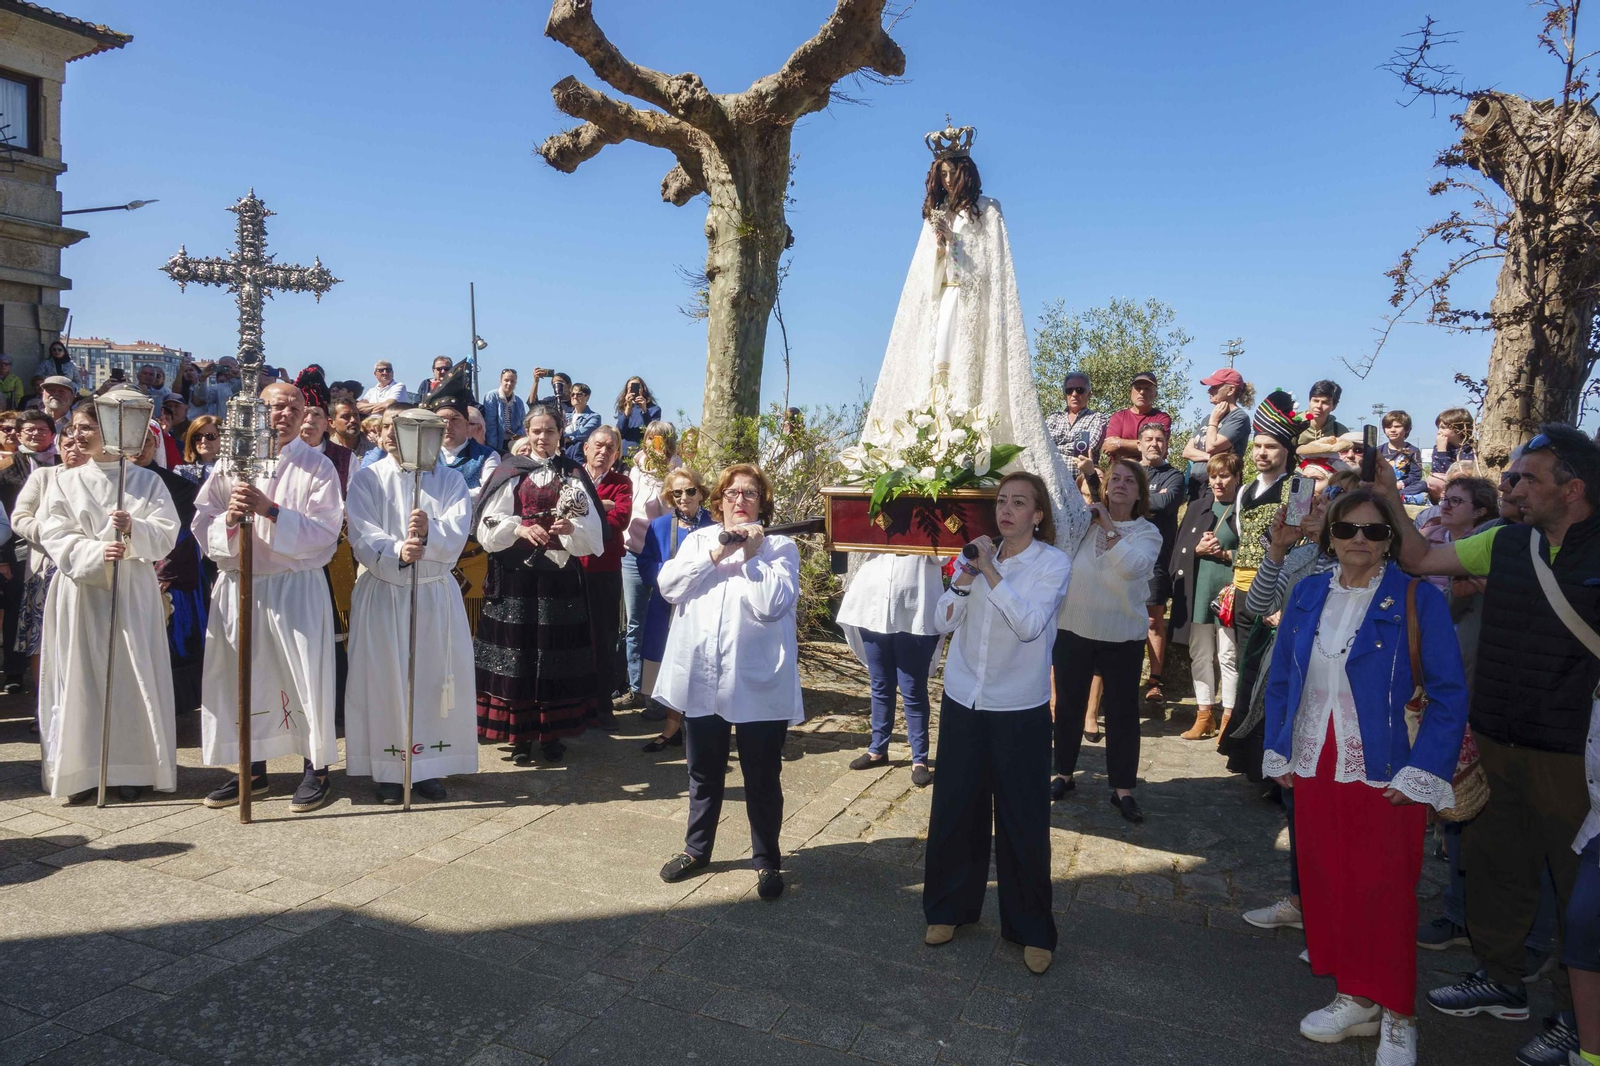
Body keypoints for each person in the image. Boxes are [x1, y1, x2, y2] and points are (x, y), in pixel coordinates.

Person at [1361, 430, 1600, 1064]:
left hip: (1575, 754)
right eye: (1512, 477)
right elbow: (1417, 559)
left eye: (1527, 478)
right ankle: (1500, 981)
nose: (1512, 487)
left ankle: (1577, 1021)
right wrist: (1387, 496)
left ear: (1572, 490)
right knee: (1495, 866)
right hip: (1496, 736)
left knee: (1581, 892)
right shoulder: (1504, 540)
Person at [1263, 488, 1468, 1066]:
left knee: (1383, 890)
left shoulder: (1415, 599)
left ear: (1390, 541)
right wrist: (1280, 751)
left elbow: (1450, 694)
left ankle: (1399, 1015)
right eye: (1348, 528)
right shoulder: (1306, 593)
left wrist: (1423, 770)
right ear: (1329, 535)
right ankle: (1356, 996)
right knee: (1328, 881)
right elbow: (1282, 681)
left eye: (1374, 531)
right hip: (1314, 758)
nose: (1360, 539)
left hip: (1385, 766)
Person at [857, 120, 1089, 554]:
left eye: (952, 172)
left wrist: (958, 249)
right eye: (939, 174)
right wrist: (942, 246)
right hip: (941, 306)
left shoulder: (989, 210)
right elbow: (921, 283)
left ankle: (968, 445)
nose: (946, 180)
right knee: (935, 366)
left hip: (974, 310)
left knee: (968, 364)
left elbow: (993, 272)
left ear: (965, 171)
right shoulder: (933, 218)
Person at [921, 471, 1070, 973]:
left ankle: (1031, 929)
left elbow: (1029, 626)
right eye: (1002, 501)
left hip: (1019, 710)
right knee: (955, 813)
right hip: (965, 700)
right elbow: (942, 621)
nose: (1006, 510)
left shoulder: (1052, 564)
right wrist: (964, 576)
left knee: (1022, 822)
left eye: (1019, 502)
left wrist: (990, 572)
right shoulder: (976, 556)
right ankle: (948, 910)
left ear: (1038, 514)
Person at [655, 463, 802, 902]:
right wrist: (716, 555)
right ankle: (697, 849)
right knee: (703, 771)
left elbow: (773, 604)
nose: (740, 500)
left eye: (750, 493)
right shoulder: (700, 540)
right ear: (718, 502)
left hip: (758, 684)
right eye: (732, 493)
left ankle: (767, 860)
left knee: (761, 776)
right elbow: (668, 587)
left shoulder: (780, 547)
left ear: (763, 502)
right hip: (702, 679)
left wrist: (751, 557)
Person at [195, 381, 345, 814]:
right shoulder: (229, 465)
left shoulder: (318, 467)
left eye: (294, 406)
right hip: (241, 582)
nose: (285, 413)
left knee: (303, 675)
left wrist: (269, 510)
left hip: (293, 585)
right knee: (243, 675)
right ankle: (251, 768)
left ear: (305, 415)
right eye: (275, 406)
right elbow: (203, 524)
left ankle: (316, 769)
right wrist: (230, 518)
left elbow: (325, 533)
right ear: (257, 413)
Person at [37, 396, 179, 803]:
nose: (78, 436)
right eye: (74, 429)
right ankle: (82, 768)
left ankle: (131, 765)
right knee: (81, 674)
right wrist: (96, 551)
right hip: (81, 589)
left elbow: (167, 530)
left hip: (131, 588)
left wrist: (134, 529)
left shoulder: (144, 481)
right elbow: (54, 532)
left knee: (130, 675)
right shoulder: (62, 481)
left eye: (88, 428)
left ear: (113, 433)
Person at [343, 422, 476, 803]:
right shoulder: (368, 478)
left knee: (431, 678)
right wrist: (397, 550)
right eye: (395, 429)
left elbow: (459, 526)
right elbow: (362, 531)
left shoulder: (449, 479)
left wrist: (430, 532)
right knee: (384, 679)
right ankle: (387, 768)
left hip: (433, 591)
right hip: (386, 590)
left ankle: (427, 768)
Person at [473, 405, 604, 764]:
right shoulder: (510, 470)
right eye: (536, 431)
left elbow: (594, 534)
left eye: (549, 431)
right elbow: (487, 523)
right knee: (518, 658)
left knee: (554, 658)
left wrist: (570, 529)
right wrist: (518, 527)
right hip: (515, 579)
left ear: (560, 433)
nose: (542, 437)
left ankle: (552, 736)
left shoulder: (574, 473)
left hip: (558, 580)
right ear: (526, 434)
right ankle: (520, 737)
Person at [1052, 458, 1162, 821]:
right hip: (1074, 628)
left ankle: (1123, 789)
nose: (1120, 484)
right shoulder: (1084, 524)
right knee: (1068, 706)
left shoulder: (1148, 533)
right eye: (1114, 478)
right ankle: (1063, 774)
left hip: (1121, 636)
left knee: (1121, 713)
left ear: (1139, 493)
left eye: (1130, 480)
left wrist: (1108, 525)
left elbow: (1132, 567)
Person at [1219, 391, 1298, 777]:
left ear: (1285, 449)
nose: (1261, 453)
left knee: (1271, 675)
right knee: (1247, 669)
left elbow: (1299, 545)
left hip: (1278, 591)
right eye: (1257, 446)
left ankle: (1271, 764)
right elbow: (1240, 541)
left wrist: (1284, 601)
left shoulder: (1297, 489)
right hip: (1245, 588)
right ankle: (1246, 760)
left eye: (1270, 446)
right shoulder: (1246, 491)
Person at [837, 539, 944, 786]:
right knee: (880, 684)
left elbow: (944, 557)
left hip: (915, 611)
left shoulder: (932, 513)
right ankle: (878, 748)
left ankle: (920, 759)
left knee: (913, 689)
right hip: (873, 608)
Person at [636, 467, 714, 751]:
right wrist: (670, 577)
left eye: (690, 490)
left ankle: (699, 728)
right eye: (676, 492)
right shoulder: (658, 526)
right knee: (672, 665)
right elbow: (645, 564)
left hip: (704, 606)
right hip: (667, 605)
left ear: (701, 492)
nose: (684, 497)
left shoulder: (715, 525)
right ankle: (672, 727)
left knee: (701, 666)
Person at [1168, 452, 1241, 741]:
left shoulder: (1243, 508)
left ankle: (1229, 719)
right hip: (1198, 589)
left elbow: (1256, 552)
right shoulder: (1197, 507)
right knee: (1200, 654)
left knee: (1228, 655)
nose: (1218, 482)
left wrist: (1225, 553)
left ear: (1237, 478)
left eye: (1224, 476)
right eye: (1213, 476)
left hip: (1230, 592)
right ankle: (1204, 716)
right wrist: (1196, 550)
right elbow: (1179, 549)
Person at [12, 420, 84, 702]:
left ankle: (76, 707)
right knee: (40, 643)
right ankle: (44, 709)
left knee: (77, 642)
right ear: (58, 446)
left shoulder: (103, 480)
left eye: (80, 444)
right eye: (67, 445)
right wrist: (53, 537)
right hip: (44, 571)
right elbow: (19, 518)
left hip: (84, 570)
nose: (74, 450)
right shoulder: (43, 477)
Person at [622, 420, 681, 709]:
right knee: (635, 623)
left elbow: (664, 512)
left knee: (661, 624)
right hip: (631, 551)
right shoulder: (635, 468)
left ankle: (658, 692)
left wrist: (662, 478)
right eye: (650, 438)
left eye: (661, 439)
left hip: (661, 555)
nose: (655, 444)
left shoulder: (676, 472)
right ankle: (636, 689)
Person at [578, 425, 631, 722]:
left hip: (604, 570)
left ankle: (602, 706)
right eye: (598, 445)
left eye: (610, 448)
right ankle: (576, 705)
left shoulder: (621, 482)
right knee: (573, 636)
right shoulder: (571, 477)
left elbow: (619, 521)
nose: (603, 452)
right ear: (586, 447)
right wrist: (601, 506)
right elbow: (562, 515)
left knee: (604, 636)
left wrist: (583, 512)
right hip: (571, 569)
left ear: (617, 454)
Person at [1138, 422, 1185, 706]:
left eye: (1159, 439)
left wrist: (1131, 501)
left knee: (1154, 619)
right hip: (1123, 553)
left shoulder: (1174, 476)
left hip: (1157, 559)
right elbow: (1108, 499)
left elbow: (1164, 505)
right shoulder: (1130, 472)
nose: (1154, 443)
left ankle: (1154, 682)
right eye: (1148, 439)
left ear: (1166, 445)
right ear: (1139, 443)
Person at [426, 370, 499, 501]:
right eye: (442, 420)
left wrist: (444, 495)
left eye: (455, 419)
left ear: (466, 425)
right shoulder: (424, 455)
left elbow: (488, 492)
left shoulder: (487, 456)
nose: (448, 425)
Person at [1181, 367, 1254, 498]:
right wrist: (1210, 457)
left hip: (1219, 486)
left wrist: (1214, 421)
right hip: (1196, 483)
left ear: (1231, 390)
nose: (1209, 390)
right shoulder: (1207, 418)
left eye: (1215, 386)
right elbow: (1187, 451)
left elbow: (1211, 446)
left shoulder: (1238, 418)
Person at [1101, 372, 1172, 462]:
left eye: (1147, 389)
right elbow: (1109, 447)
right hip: (1120, 471)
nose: (1142, 392)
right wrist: (1147, 448)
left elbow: (1160, 449)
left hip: (1150, 473)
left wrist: (1119, 444)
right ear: (1130, 392)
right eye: (1138, 388)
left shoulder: (1161, 418)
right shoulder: (1118, 417)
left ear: (1155, 395)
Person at [1044, 371, 1108, 470]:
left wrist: (1053, 449)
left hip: (1080, 481)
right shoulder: (1053, 418)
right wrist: (1075, 439)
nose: (1074, 394)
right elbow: (1043, 444)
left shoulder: (1097, 418)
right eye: (1069, 390)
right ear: (1065, 394)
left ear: (1089, 394)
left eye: (1079, 390)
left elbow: (1084, 450)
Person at [1426, 407, 1478, 502]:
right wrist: (1441, 451)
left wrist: (1442, 452)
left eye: (1443, 428)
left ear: (1459, 429)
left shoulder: (1472, 449)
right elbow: (1438, 472)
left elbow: (1454, 475)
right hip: (1443, 489)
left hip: (1467, 488)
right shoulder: (1439, 447)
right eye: (1438, 428)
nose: (1439, 432)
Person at [1379, 410, 1427, 504]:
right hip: (1382, 486)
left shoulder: (1413, 451)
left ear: (1407, 429)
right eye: (1388, 427)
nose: (1392, 430)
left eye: (1397, 426)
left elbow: (1415, 476)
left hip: (1402, 487)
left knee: (1423, 484)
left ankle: (1397, 497)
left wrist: (1400, 484)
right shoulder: (1378, 451)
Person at [1297, 380, 1348, 458]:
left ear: (1334, 406)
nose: (1319, 406)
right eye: (1316, 401)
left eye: (1325, 403)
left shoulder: (1340, 431)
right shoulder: (1293, 423)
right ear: (1309, 401)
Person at [481, 369, 526, 454]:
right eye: (506, 380)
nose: (509, 384)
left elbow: (524, 423)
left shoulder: (518, 401)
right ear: (500, 380)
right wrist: (493, 449)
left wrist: (519, 434)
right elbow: (491, 425)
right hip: (497, 442)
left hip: (514, 443)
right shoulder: (492, 396)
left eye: (512, 381)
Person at [615, 376, 662, 456]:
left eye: (637, 387)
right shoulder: (623, 409)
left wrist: (644, 410)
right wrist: (627, 410)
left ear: (643, 389)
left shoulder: (654, 409)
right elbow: (620, 432)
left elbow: (653, 432)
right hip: (624, 453)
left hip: (643, 453)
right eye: (630, 388)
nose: (634, 390)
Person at [175, 415, 221, 485]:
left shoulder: (234, 471)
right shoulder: (182, 471)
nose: (203, 441)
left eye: (210, 436)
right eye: (197, 436)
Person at [564, 383, 602, 461]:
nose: (575, 397)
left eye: (579, 395)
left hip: (580, 455)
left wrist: (567, 438)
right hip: (565, 453)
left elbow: (583, 433)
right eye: (572, 394)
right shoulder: (565, 416)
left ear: (587, 397)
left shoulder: (594, 417)